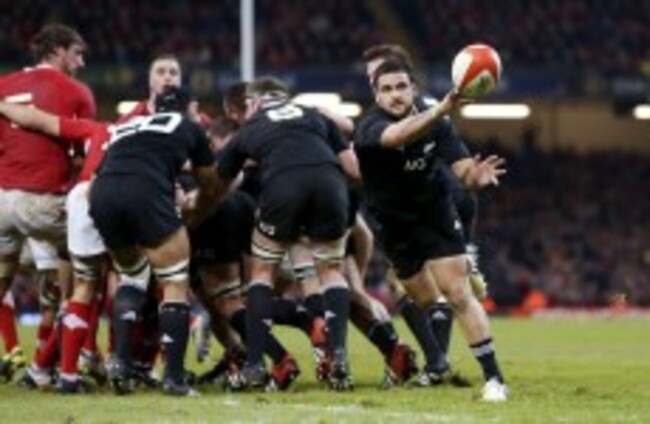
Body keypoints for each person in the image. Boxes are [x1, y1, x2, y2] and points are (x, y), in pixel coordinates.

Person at [354, 59, 508, 401]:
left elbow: (463, 169)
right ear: (376, 96)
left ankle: (494, 379)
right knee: (425, 299)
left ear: (413, 89)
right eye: (386, 89)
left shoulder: (439, 122)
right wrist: (441, 109)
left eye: (401, 87)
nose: (395, 95)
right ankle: (438, 362)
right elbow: (397, 136)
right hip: (393, 223)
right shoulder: (369, 127)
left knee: (458, 294)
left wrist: (476, 177)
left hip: (434, 213)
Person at [216, 77, 359, 391]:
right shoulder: (314, 115)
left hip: (283, 186)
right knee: (331, 271)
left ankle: (255, 365)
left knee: (262, 272)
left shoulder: (250, 128)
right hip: (330, 184)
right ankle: (339, 357)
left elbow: (219, 180)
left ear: (253, 102)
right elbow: (353, 169)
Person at [89, 86, 219, 397]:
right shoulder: (189, 125)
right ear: (190, 108)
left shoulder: (127, 126)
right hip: (144, 193)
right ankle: (174, 379)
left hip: (102, 196)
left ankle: (121, 365)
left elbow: (98, 176)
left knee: (131, 277)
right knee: (174, 283)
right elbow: (209, 181)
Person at [0, 24, 95, 382]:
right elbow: (84, 154)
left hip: (2, 200)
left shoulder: (4, 85)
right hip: (42, 202)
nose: (81, 63)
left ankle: (44, 359)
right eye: (77, 54)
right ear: (57, 50)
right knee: (95, 263)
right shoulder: (75, 91)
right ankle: (69, 360)